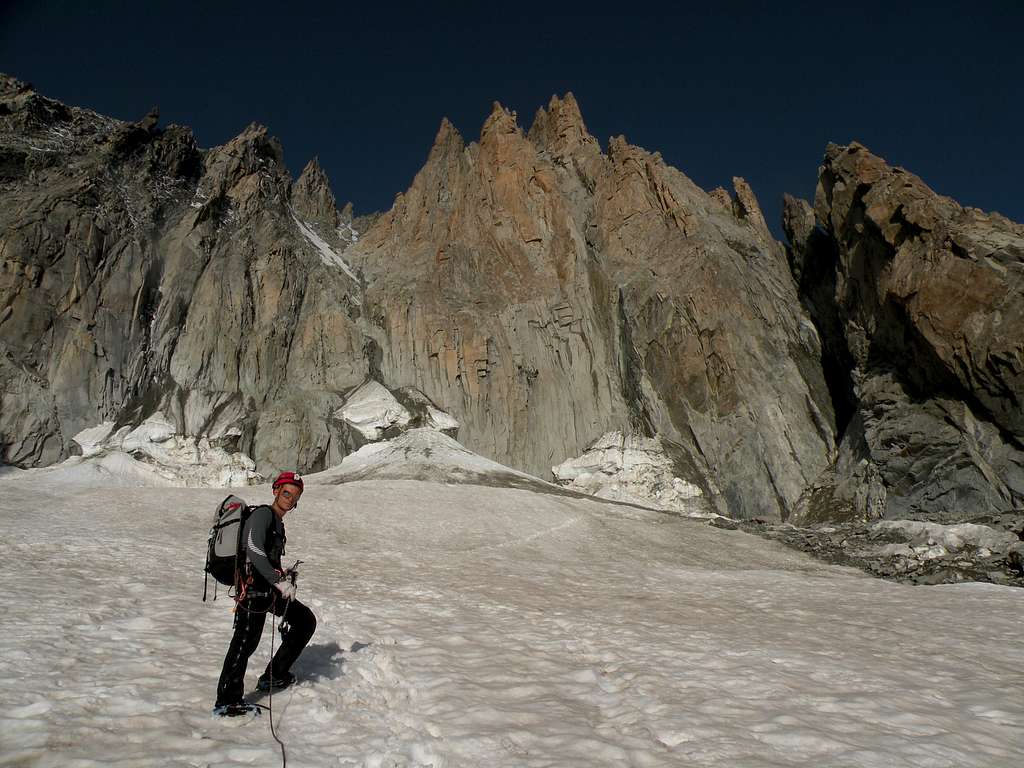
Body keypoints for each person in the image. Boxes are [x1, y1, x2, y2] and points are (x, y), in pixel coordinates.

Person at [214, 471, 317, 716]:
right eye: (286, 492)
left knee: (304, 620)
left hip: (267, 589)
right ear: (275, 491)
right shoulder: (263, 514)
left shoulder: (276, 522)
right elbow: (252, 548)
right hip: (253, 589)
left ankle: (275, 675)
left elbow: (266, 556)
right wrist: (276, 580)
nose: (290, 499)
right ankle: (227, 701)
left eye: (295, 495)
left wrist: (282, 577)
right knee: (245, 641)